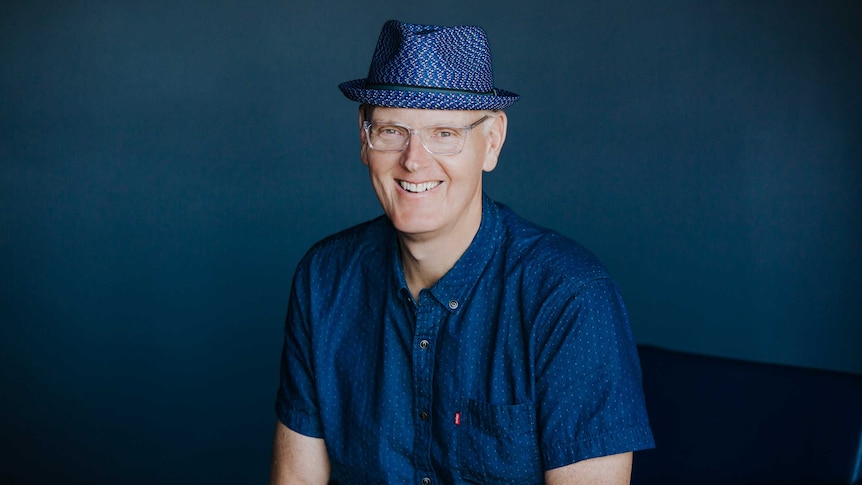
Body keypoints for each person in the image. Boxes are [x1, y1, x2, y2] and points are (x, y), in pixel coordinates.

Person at [270, 19, 654, 485]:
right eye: (392, 130)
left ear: (491, 142)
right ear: (364, 138)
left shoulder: (570, 298)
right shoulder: (324, 279)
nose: (414, 159)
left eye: (444, 133)